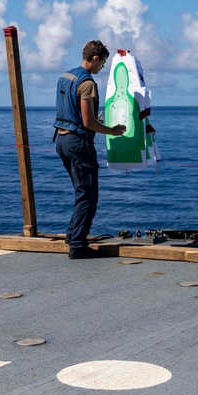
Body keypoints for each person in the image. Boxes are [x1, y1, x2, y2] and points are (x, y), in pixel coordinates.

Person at [53, 40, 126, 259]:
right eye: (103, 63)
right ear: (95, 58)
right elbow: (87, 122)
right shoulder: (88, 83)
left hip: (61, 140)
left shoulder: (65, 77)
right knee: (89, 196)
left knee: (80, 192)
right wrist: (111, 131)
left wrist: (95, 119)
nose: (102, 68)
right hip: (78, 143)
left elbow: (72, 111)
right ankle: (77, 245)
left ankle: (71, 235)